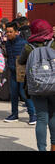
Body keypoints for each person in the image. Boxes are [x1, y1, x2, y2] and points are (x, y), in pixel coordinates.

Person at [17, 19, 55, 151]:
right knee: (53, 116)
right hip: (54, 85)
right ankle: (54, 146)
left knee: (41, 118)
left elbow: (21, 61)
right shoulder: (54, 43)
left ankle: (41, 149)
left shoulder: (28, 46)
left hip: (36, 87)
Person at [4, 21, 36, 124]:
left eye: (10, 32)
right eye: (7, 32)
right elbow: (8, 55)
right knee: (13, 94)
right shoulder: (7, 43)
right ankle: (14, 114)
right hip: (13, 72)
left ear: (16, 32)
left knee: (24, 93)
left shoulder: (23, 43)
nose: (8, 34)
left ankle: (33, 115)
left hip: (23, 72)